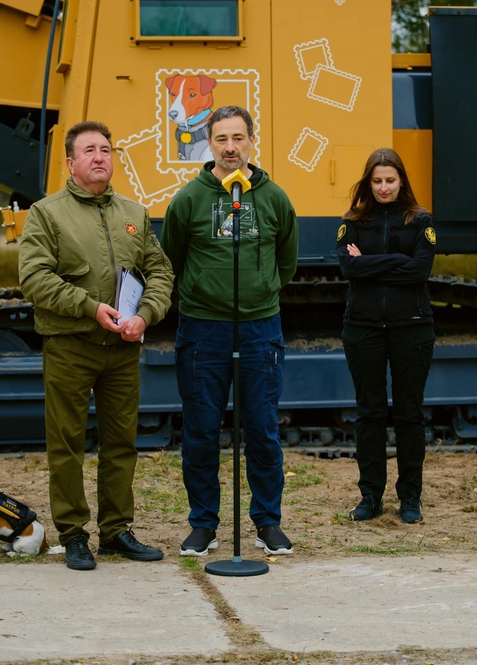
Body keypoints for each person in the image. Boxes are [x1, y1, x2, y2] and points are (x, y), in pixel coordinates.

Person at [18, 120, 174, 570]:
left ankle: (116, 531)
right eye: (89, 150)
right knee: (66, 443)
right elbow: (34, 278)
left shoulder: (135, 213)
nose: (100, 157)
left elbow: (160, 273)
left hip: (123, 349)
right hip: (71, 344)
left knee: (121, 442)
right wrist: (90, 308)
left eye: (106, 149)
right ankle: (72, 535)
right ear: (70, 163)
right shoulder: (47, 213)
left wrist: (145, 315)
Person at [160, 106, 299, 557]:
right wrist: (205, 293)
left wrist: (261, 291)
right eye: (221, 139)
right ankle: (204, 525)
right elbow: (172, 260)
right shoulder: (188, 199)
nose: (230, 148)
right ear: (209, 144)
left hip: (260, 329)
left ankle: (267, 523)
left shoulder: (274, 197)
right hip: (204, 332)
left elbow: (287, 261)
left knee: (261, 429)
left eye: (238, 138)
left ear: (251, 141)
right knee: (201, 431)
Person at [335, 148, 437, 524]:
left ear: (401, 182)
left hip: (412, 327)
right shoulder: (353, 221)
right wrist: (397, 260)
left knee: (410, 414)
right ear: (368, 182)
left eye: (390, 180)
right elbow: (348, 267)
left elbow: (420, 271)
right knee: (370, 414)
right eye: (376, 181)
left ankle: (410, 498)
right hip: (363, 330)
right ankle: (370, 497)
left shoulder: (420, 220)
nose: (383, 187)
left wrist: (370, 264)